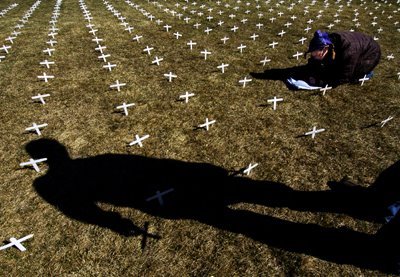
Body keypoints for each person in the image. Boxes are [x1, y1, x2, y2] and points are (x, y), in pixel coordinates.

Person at [304, 30, 381, 87]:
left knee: (350, 75)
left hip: (370, 54)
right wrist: (311, 70)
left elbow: (344, 76)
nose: (314, 57)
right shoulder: (329, 42)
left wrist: (323, 82)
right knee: (331, 66)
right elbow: (316, 60)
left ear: (325, 50)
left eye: (316, 56)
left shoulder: (348, 51)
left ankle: (366, 73)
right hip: (359, 46)